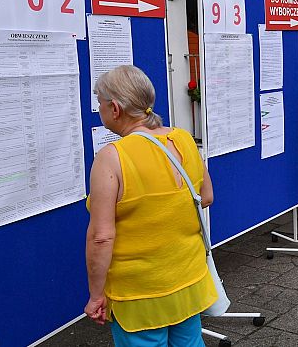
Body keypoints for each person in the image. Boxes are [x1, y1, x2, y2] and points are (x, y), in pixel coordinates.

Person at [84, 65, 217, 346]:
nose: (99, 110)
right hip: (187, 278)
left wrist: (97, 295)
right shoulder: (182, 138)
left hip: (138, 291)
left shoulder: (112, 158)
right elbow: (206, 197)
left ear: (115, 108)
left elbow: (101, 236)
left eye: (100, 103)